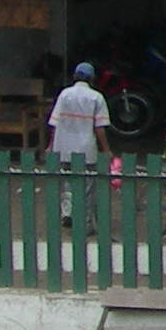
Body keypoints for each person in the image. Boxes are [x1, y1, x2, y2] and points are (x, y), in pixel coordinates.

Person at [48, 61, 110, 230]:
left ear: (75, 76)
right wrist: (106, 149)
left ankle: (68, 215)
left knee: (68, 183)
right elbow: (99, 127)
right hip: (85, 149)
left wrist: (50, 145)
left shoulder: (64, 94)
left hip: (63, 146)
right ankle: (86, 223)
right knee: (87, 187)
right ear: (92, 79)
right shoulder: (96, 97)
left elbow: (54, 123)